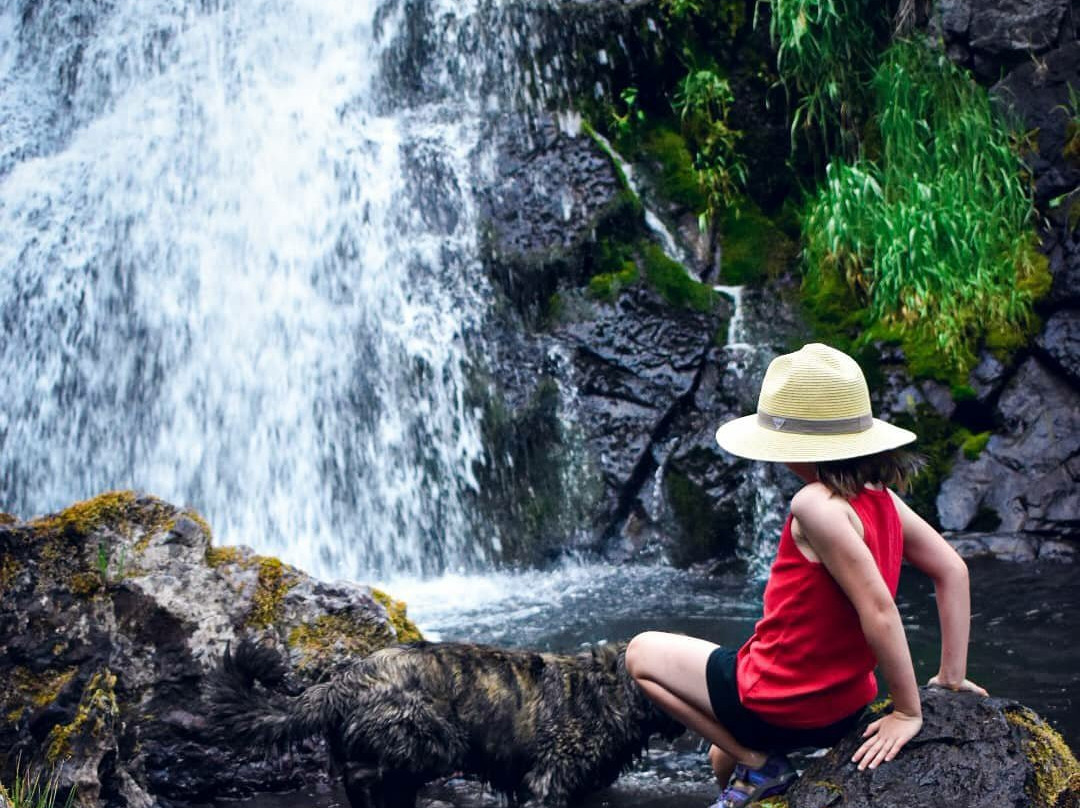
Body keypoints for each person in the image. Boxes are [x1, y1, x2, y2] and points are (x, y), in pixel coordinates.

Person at [625, 343, 987, 808]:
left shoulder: (813, 504)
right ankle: (755, 772)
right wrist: (950, 679)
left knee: (640, 654)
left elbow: (878, 609)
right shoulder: (882, 498)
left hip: (779, 697)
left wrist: (907, 710)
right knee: (720, 756)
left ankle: (760, 766)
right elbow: (952, 570)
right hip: (845, 705)